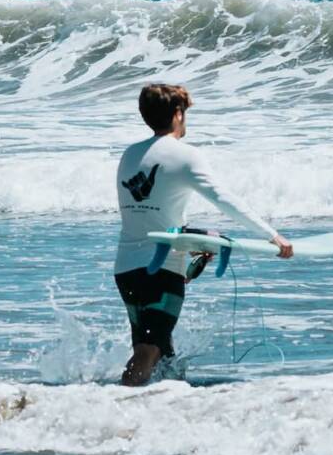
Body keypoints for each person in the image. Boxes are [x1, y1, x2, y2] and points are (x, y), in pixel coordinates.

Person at [113, 83, 292, 386]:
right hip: (161, 269)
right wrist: (271, 235)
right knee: (150, 350)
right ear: (178, 115)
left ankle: (156, 413)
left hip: (127, 269)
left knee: (163, 353)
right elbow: (224, 199)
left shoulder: (130, 155)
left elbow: (147, 216)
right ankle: (109, 407)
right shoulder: (184, 155)